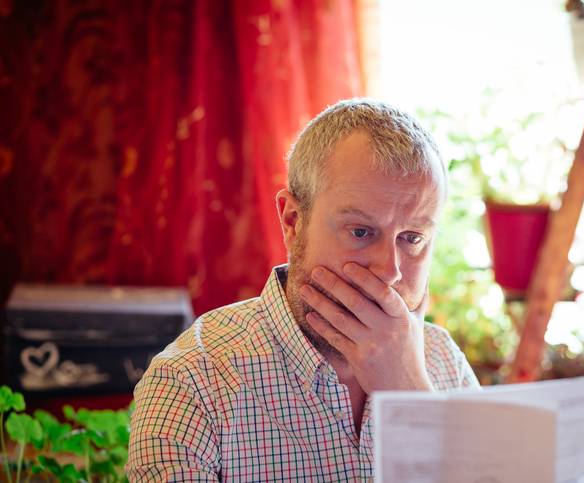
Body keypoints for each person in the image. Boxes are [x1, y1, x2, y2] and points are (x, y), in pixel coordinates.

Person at [126, 98, 479, 482]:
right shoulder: (191, 382)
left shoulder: (445, 363)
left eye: (412, 238)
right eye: (361, 232)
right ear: (293, 222)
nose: (390, 271)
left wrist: (411, 397)